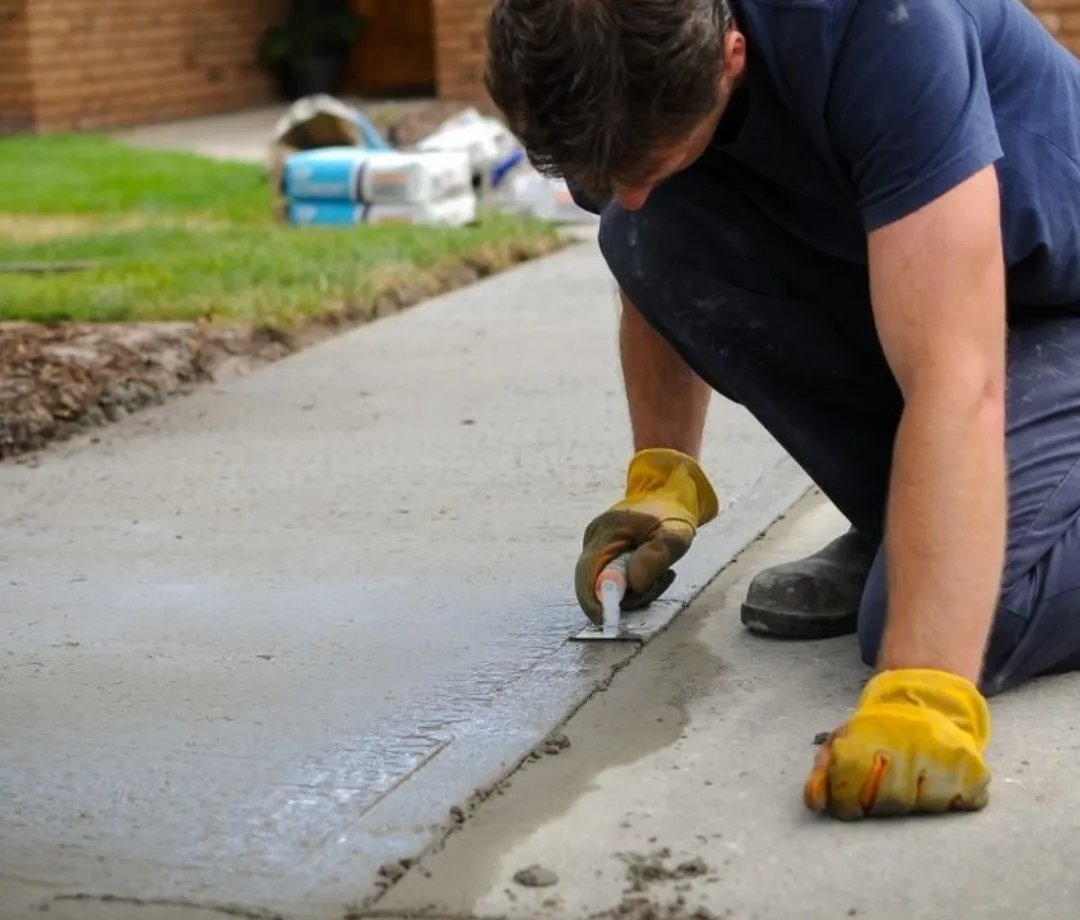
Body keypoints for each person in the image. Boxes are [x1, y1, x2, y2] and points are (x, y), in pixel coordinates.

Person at [484, 0, 1080, 820]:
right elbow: (652, 241)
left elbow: (956, 371)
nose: (619, 188)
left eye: (646, 156)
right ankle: (910, 527)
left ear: (731, 56)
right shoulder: (601, 52)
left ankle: (971, 541)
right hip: (959, 291)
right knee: (642, 229)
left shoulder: (879, 30)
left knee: (984, 614)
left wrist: (927, 690)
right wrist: (661, 477)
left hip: (1056, 306)